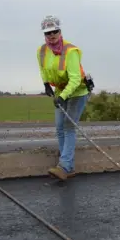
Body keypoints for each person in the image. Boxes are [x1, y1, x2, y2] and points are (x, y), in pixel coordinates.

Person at [37, 15, 91, 181]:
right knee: (59, 127)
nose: (52, 35)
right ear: (44, 34)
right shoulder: (42, 51)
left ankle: (64, 166)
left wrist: (63, 97)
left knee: (68, 127)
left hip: (78, 91)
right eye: (48, 32)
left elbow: (75, 79)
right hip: (61, 90)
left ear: (60, 31)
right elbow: (43, 69)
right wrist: (46, 83)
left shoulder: (70, 51)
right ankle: (68, 165)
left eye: (55, 31)